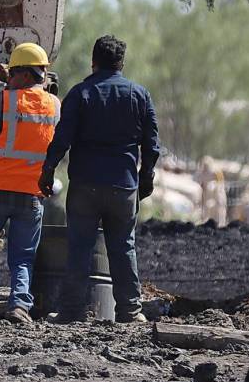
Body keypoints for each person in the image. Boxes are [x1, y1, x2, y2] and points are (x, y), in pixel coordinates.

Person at [39, 35, 161, 323]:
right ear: (122, 63)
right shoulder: (139, 95)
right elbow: (152, 145)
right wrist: (145, 179)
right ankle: (130, 311)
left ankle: (70, 311)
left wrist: (48, 170)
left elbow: (62, 139)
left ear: (93, 61)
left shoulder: (80, 94)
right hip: (123, 186)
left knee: (80, 246)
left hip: (84, 185)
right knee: (123, 247)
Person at [0, 43, 60, 324]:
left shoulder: (4, 100)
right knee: (22, 258)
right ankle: (19, 305)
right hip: (30, 195)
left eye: (12, 74)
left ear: (21, 74)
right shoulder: (55, 104)